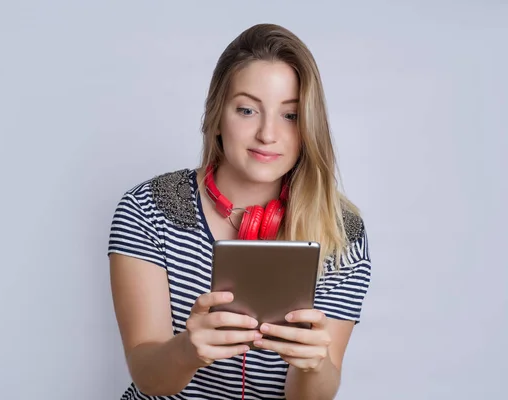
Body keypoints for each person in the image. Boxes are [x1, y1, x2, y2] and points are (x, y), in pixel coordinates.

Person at [107, 23, 372, 400]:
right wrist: (187, 350)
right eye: (247, 110)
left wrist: (312, 365)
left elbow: (313, 395)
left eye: (290, 115)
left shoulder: (341, 232)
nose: (267, 133)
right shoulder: (147, 208)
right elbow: (149, 377)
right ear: (217, 115)